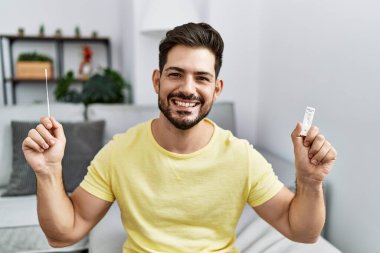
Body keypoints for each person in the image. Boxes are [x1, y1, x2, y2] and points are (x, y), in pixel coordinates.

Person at [22, 23, 337, 253]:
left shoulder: (241, 157)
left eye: (202, 78)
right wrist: (47, 172)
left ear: (216, 89)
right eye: (175, 74)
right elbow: (63, 234)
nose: (188, 88)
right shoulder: (118, 152)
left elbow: (302, 232)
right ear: (157, 81)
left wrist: (310, 182)